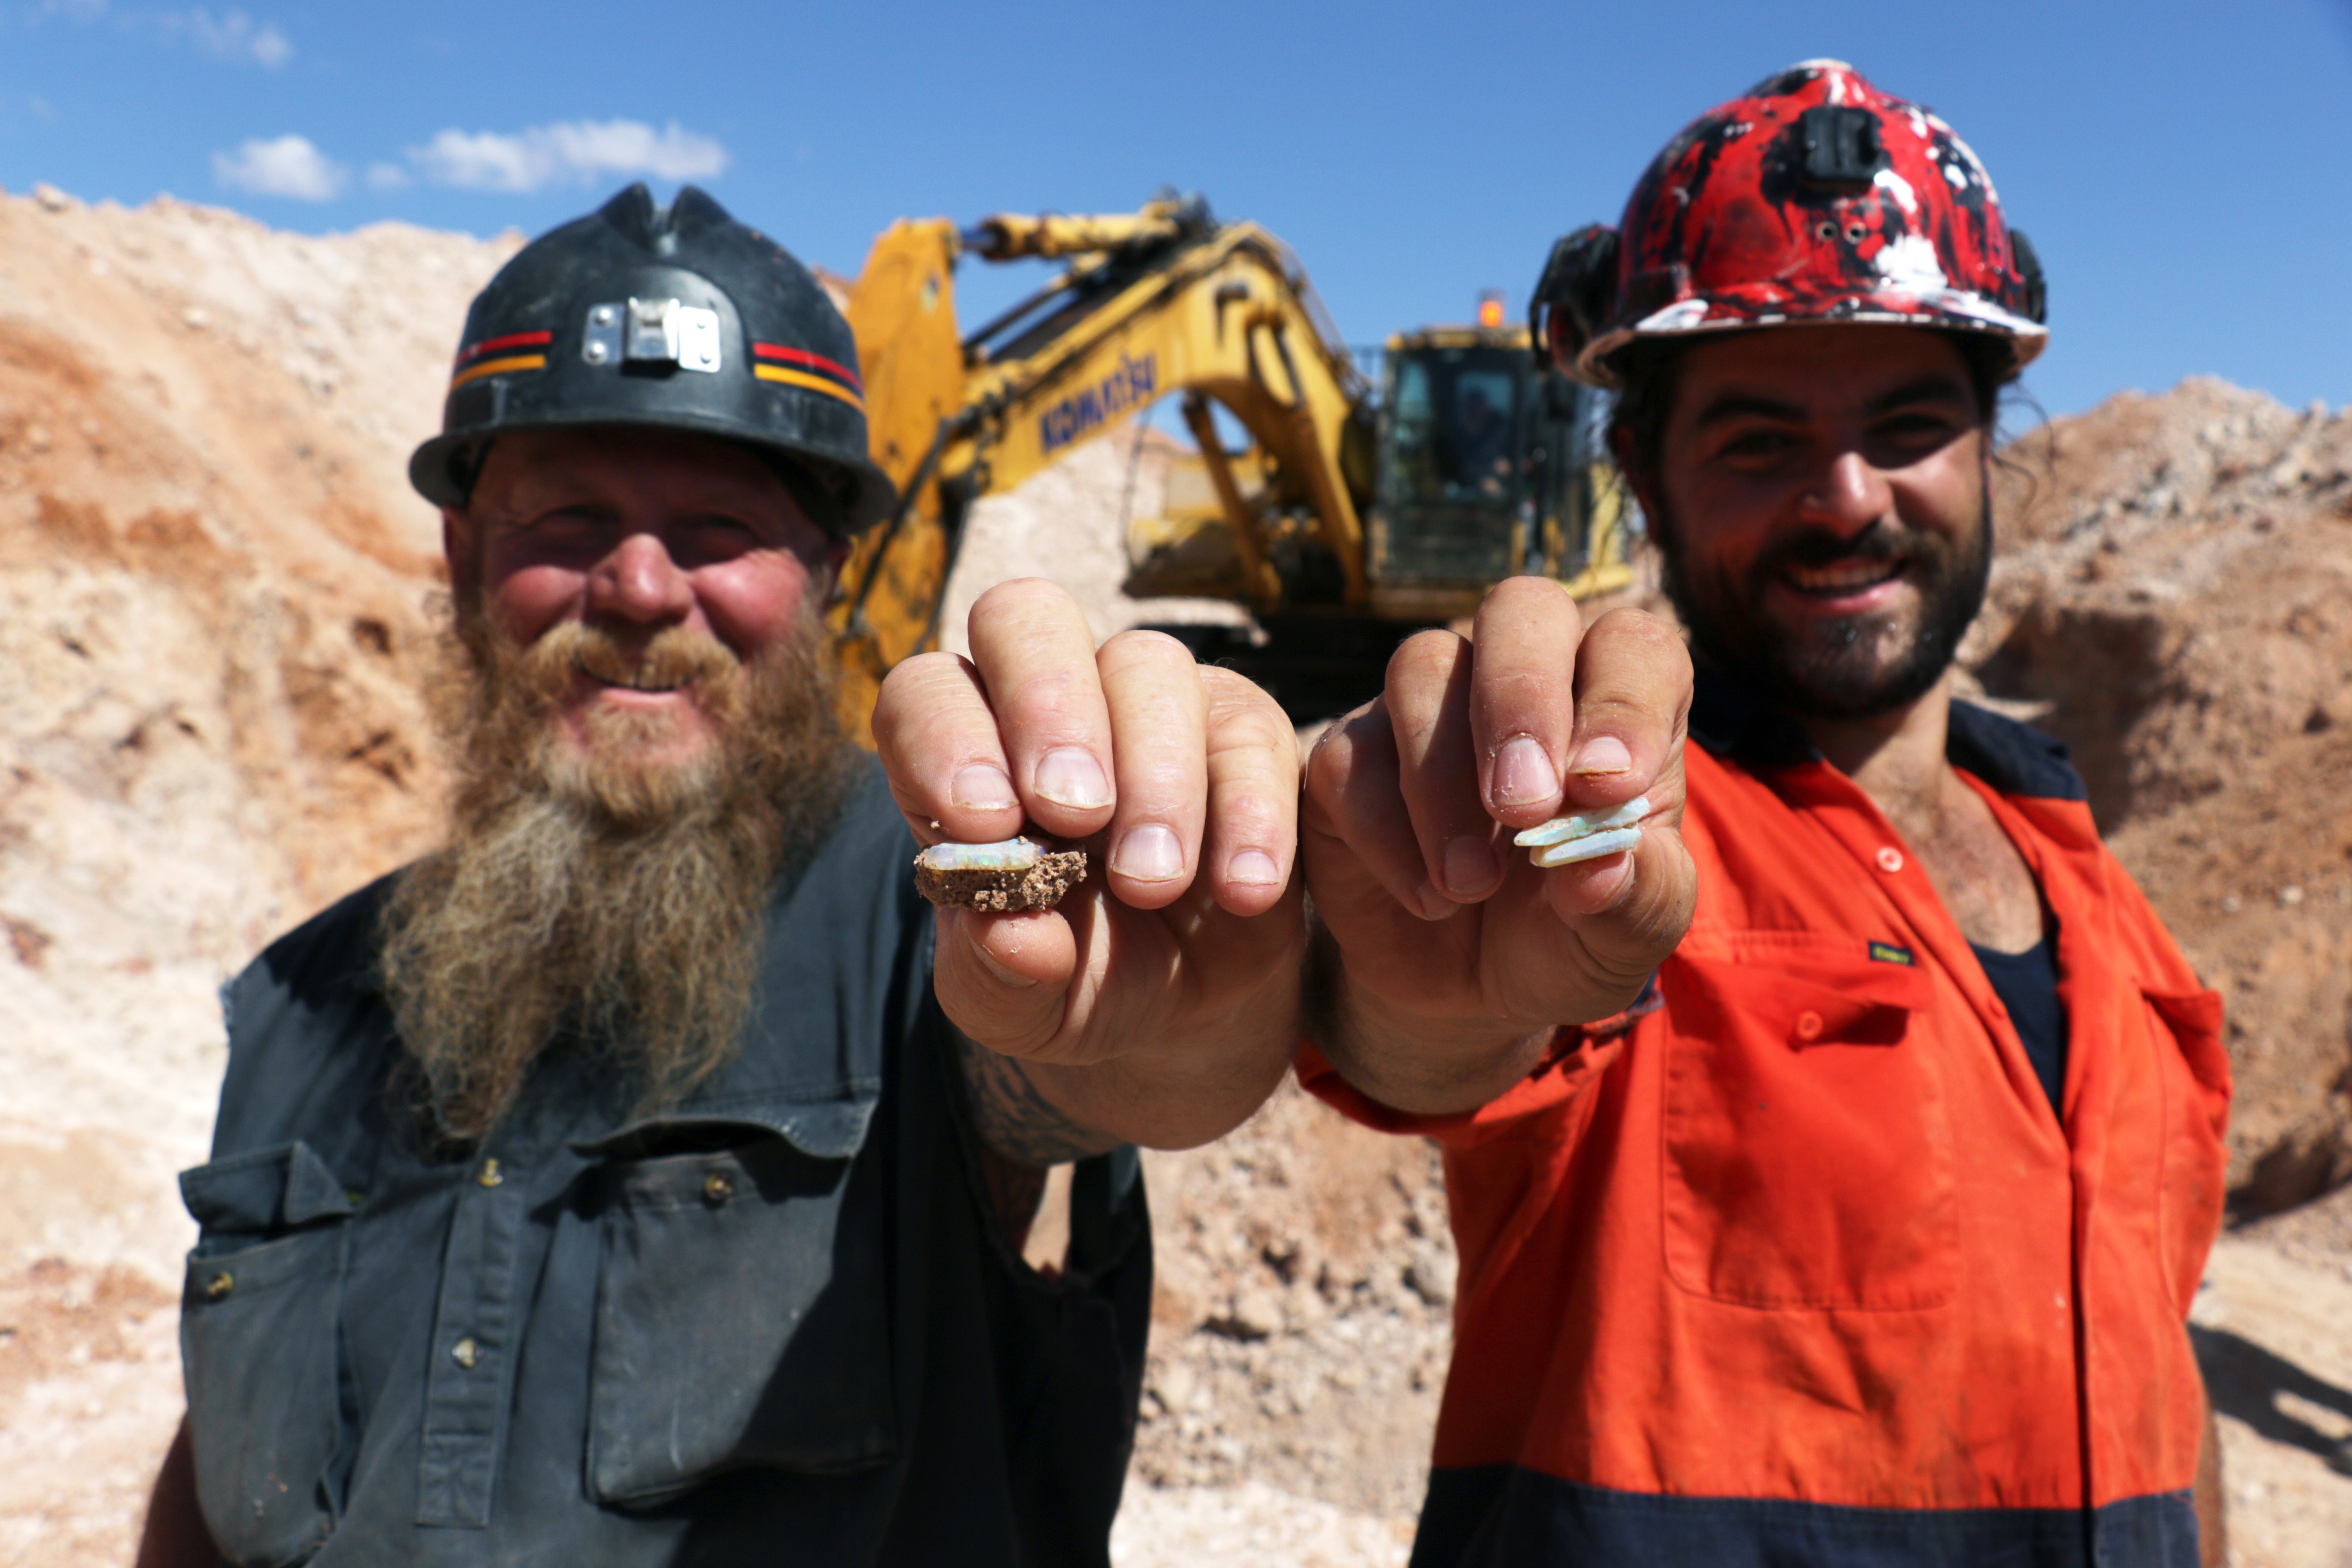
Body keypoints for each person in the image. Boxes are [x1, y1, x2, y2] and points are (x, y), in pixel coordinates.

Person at [134, 183, 1310, 1566]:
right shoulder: (301, 1004)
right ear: (463, 561)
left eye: (716, 531)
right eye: (567, 519)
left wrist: (1194, 977)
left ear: (827, 569)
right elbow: (215, 1476)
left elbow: (1119, 1067)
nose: (638, 587)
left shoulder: (943, 914)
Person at [1298, 61, 2230, 1567]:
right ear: (1644, 483)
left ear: (1992, 447)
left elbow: (2163, 1374)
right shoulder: (1615, 847)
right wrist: (1430, 953)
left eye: (1910, 425)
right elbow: (1440, 1035)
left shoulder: (2096, 892)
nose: (1846, 496)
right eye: (1757, 440)